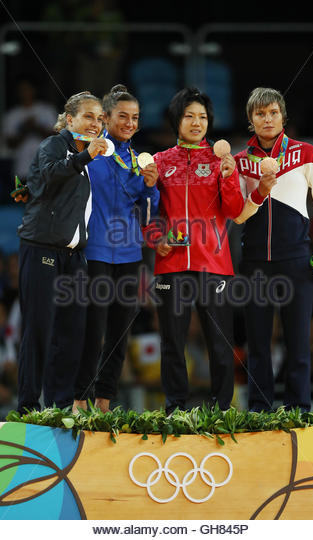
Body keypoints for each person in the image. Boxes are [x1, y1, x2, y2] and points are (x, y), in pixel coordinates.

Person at [144, 87, 274, 415]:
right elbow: (148, 211)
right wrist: (155, 236)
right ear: (177, 120)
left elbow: (232, 210)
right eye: (189, 116)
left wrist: (230, 176)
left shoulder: (219, 161)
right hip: (170, 264)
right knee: (172, 342)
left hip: (213, 263)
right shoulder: (160, 162)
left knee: (219, 343)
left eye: (202, 117)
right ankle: (175, 407)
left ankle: (220, 410)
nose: (197, 122)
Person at [234, 87, 313, 412]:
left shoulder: (306, 152)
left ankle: (299, 410)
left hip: (296, 261)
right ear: (250, 121)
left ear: (283, 117)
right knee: (258, 345)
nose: (267, 119)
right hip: (254, 262)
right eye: (260, 114)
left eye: (273, 113)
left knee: (298, 343)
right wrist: (257, 192)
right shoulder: (240, 161)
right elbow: (237, 213)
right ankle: (258, 410)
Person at [16, 91, 107, 414]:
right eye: (88, 116)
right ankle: (28, 407)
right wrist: (85, 158)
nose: (95, 123)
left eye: (99, 118)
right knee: (40, 329)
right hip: (43, 249)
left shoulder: (88, 155)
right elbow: (47, 176)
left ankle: (60, 406)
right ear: (69, 120)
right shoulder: (56, 145)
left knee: (72, 333)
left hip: (73, 257)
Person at [72, 85, 160, 414]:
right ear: (106, 118)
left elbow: (150, 212)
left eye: (135, 118)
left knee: (120, 331)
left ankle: (104, 400)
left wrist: (151, 187)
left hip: (129, 254)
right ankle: (79, 398)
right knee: (93, 328)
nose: (129, 122)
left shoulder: (138, 161)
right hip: (94, 250)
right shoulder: (88, 155)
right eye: (122, 116)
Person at [2, 77, 57, 182]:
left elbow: (56, 139)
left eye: (28, 89)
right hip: (22, 170)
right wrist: (25, 129)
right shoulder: (12, 115)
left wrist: (36, 127)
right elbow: (10, 144)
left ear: (34, 90)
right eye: (22, 90)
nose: (25, 93)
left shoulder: (47, 110)